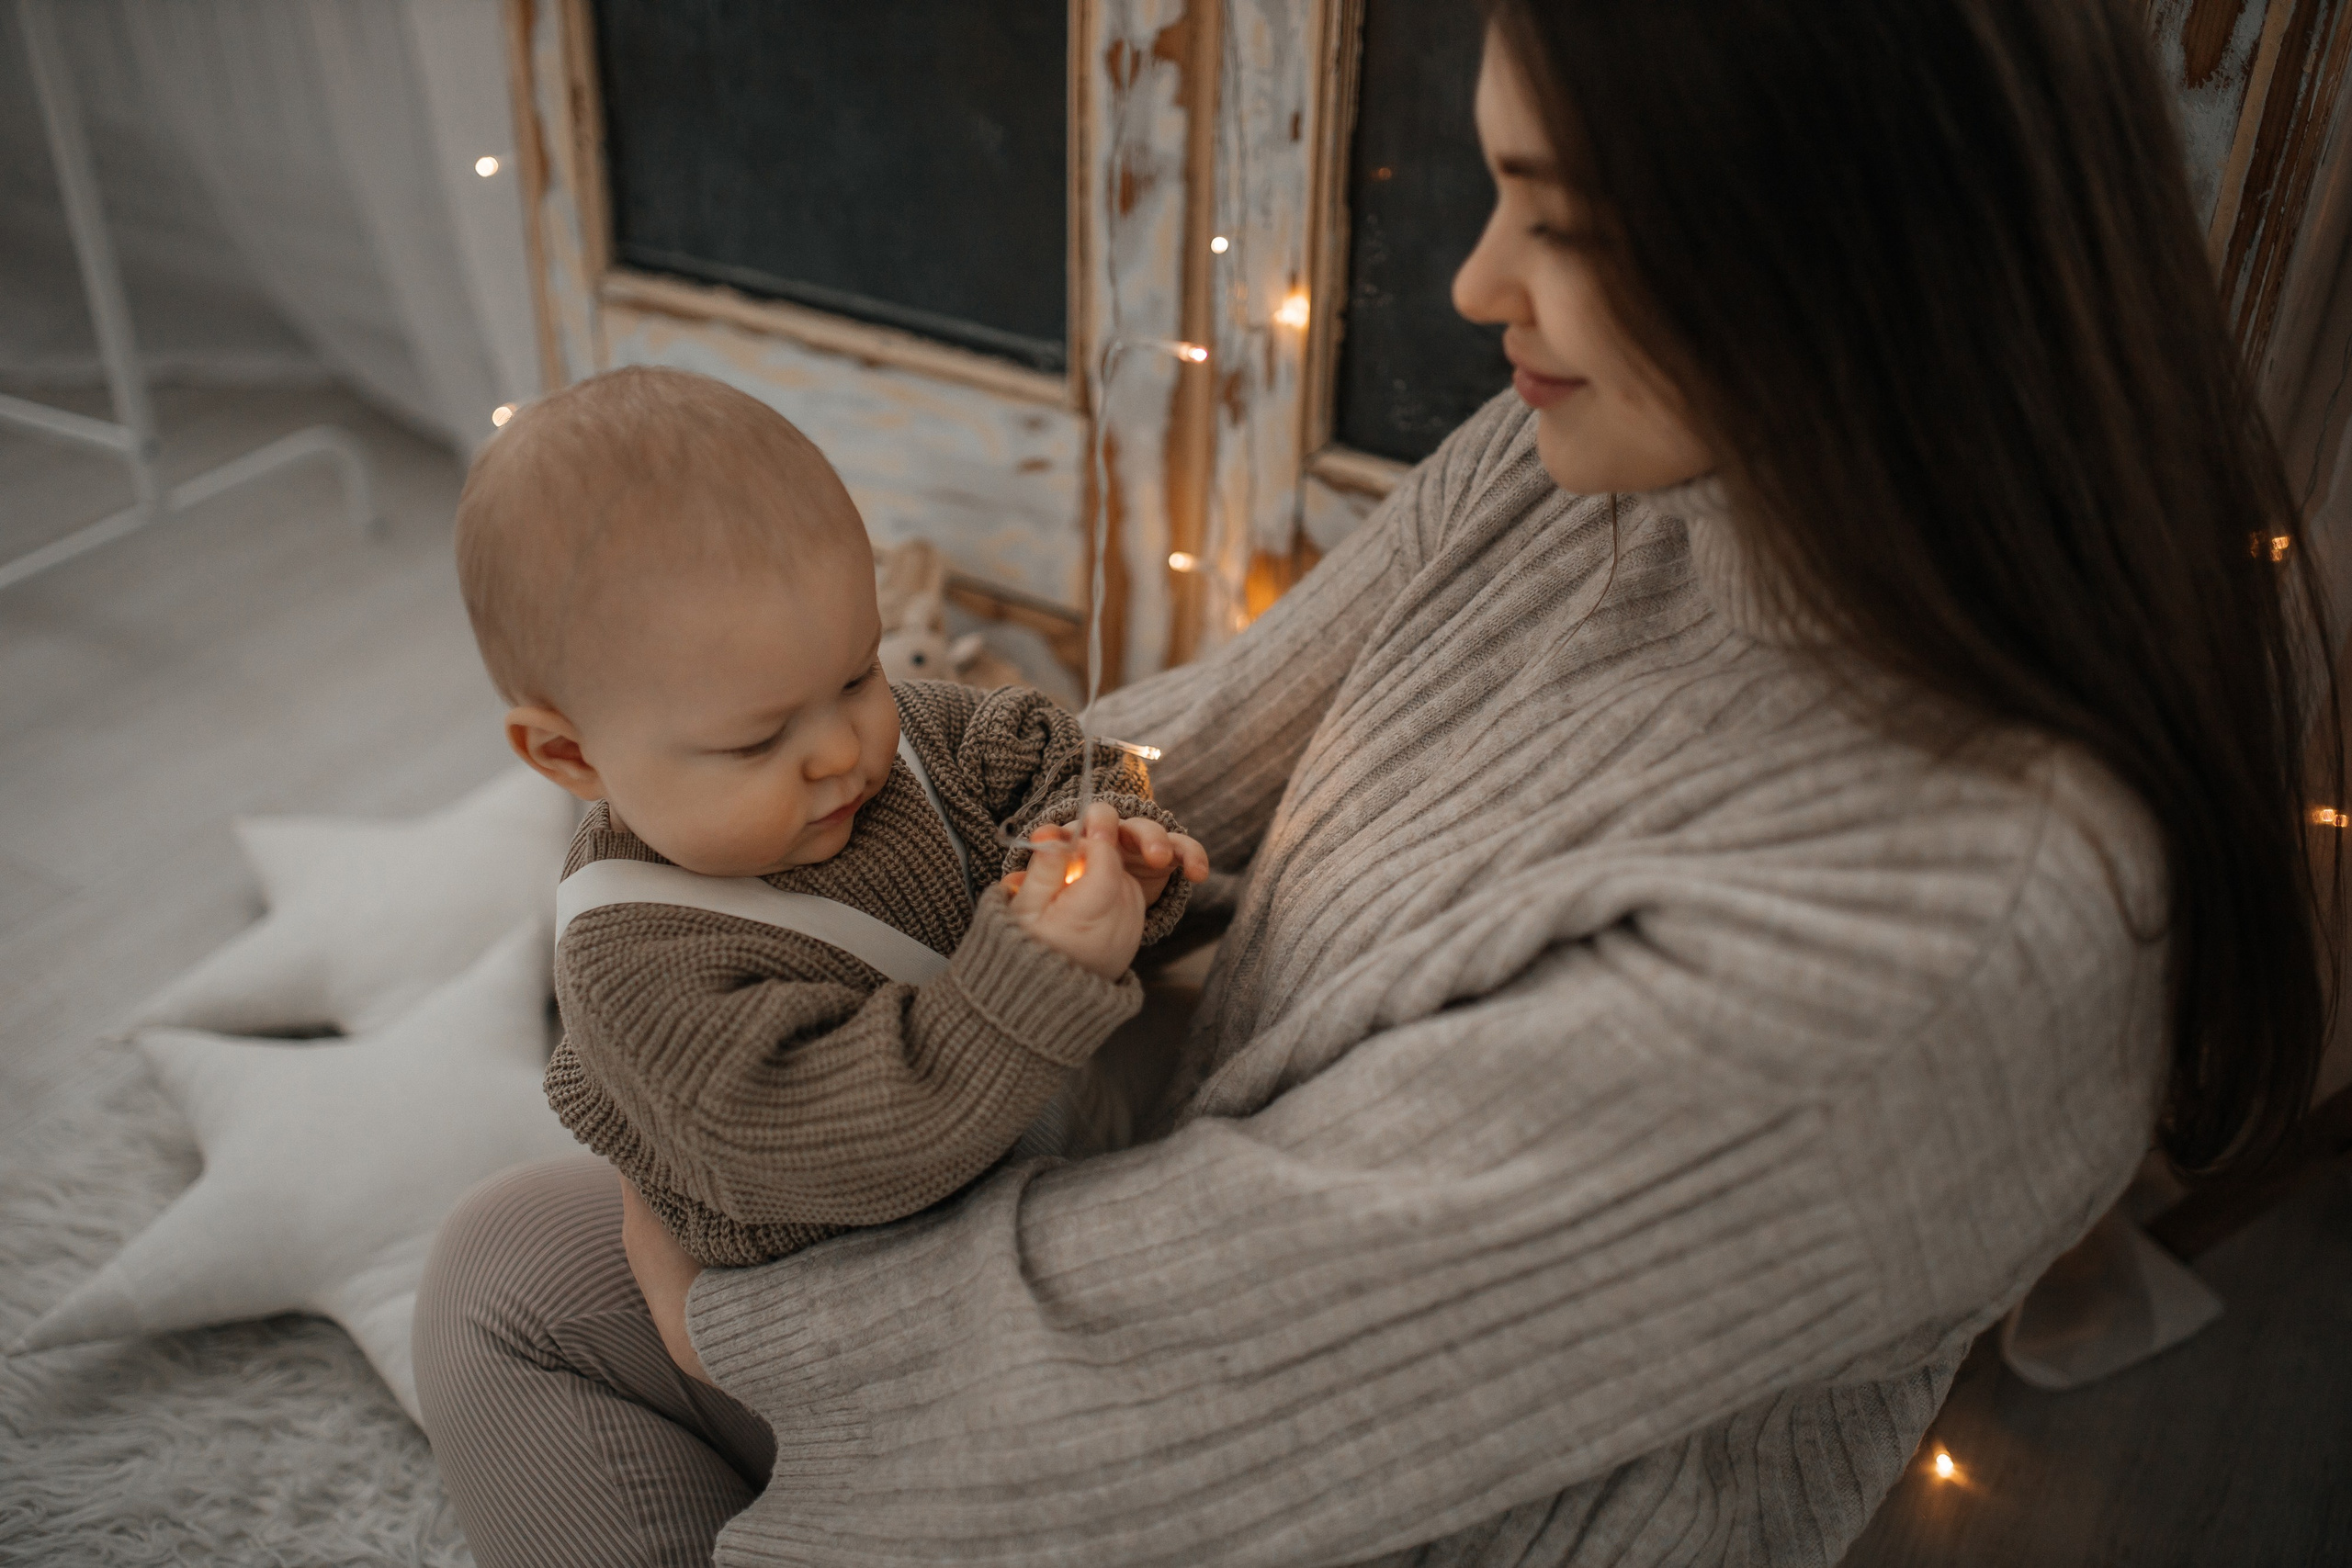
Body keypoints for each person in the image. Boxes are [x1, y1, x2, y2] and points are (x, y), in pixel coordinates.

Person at [413, 2, 2339, 1563]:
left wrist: (715, 1312)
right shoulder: (1607, 468)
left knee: (560, 1291)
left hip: (1358, 1476)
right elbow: (1200, 739)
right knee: (509, 1250)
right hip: (1166, 1255)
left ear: (1831, 250)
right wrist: (890, 830)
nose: (1474, 281)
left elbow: (1170, 1386)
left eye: (1554, 218)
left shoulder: (1909, 941)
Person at [449, 365, 1206, 1280]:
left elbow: (1048, 755)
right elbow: (858, 1149)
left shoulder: (919, 736)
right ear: (571, 759)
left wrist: (1113, 839)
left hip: (1082, 1132)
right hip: (883, 1281)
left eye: (856, 674)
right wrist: (1039, 975)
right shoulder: (635, 973)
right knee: (495, 1275)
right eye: (759, 740)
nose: (841, 751)